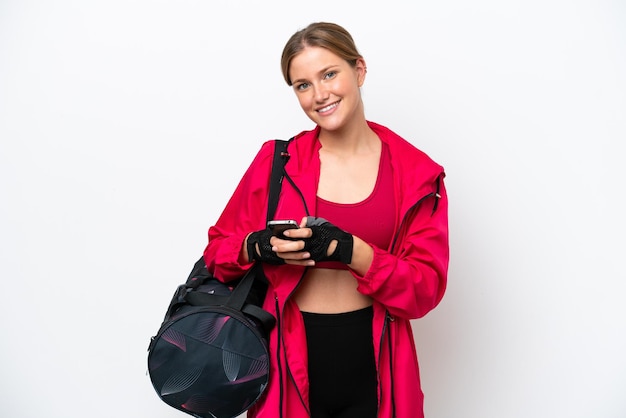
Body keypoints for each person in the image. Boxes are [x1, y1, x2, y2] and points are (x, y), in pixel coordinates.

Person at [204, 22, 449, 418]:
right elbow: (217, 251)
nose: (319, 95)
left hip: (377, 358)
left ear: (360, 70)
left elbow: (426, 288)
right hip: (286, 357)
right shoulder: (277, 163)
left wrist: (354, 251)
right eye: (302, 85)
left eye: (329, 74)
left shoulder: (416, 173)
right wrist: (256, 246)